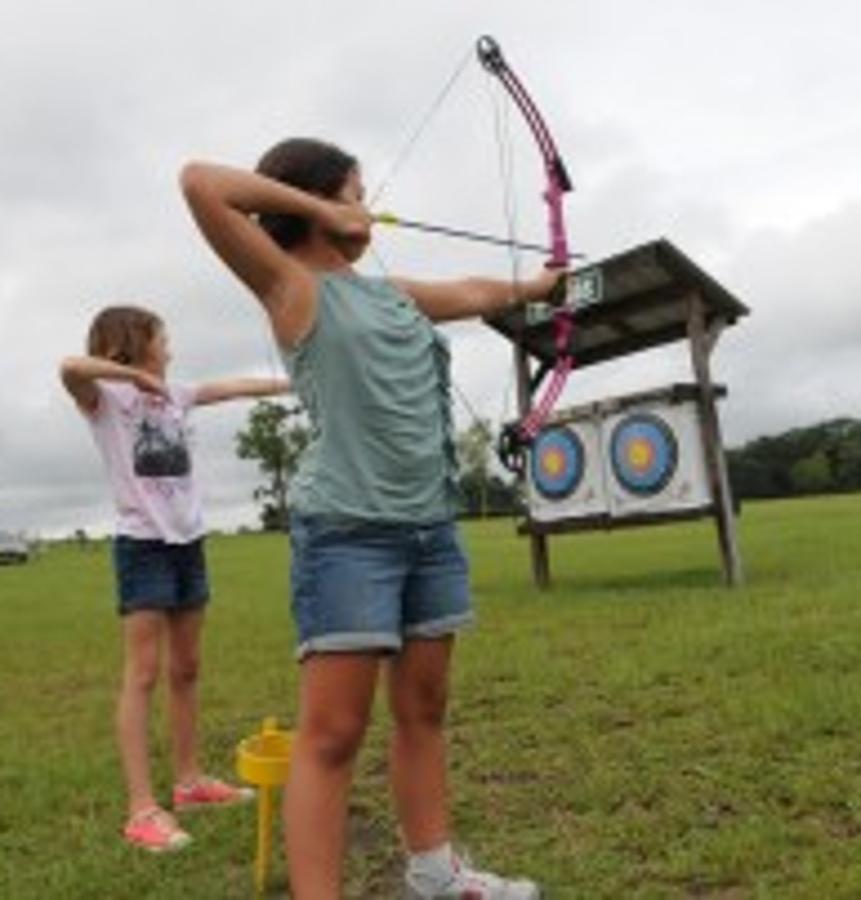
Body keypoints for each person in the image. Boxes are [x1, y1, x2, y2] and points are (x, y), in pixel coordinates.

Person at [179, 139, 559, 900]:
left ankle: (434, 873)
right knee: (333, 734)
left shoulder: (392, 294)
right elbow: (201, 184)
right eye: (357, 192)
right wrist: (326, 209)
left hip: (430, 528)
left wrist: (536, 285)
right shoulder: (289, 284)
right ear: (315, 201)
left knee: (424, 709)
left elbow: (473, 291)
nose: (368, 208)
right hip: (348, 533)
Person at [60, 306, 291, 851]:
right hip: (143, 546)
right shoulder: (105, 399)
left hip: (189, 543)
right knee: (143, 673)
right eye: (162, 339)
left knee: (186, 669)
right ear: (133, 344)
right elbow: (70, 367)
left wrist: (290, 383)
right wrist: (132, 377)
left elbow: (231, 387)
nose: (170, 349)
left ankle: (189, 784)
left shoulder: (177, 394)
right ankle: (142, 810)